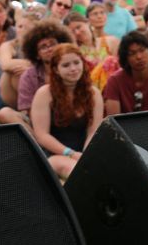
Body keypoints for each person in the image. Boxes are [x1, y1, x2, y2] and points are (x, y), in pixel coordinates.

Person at [30, 44, 103, 180]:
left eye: (76, 62)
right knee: (76, 171)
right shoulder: (45, 94)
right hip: (54, 153)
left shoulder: (94, 94)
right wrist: (71, 153)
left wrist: (86, 154)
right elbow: (42, 135)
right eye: (66, 65)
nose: (73, 69)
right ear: (56, 70)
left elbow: (93, 131)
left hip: (83, 151)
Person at [0, 20, 74, 129]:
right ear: (37, 55)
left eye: (52, 44)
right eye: (43, 47)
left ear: (61, 45)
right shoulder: (28, 76)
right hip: (38, 121)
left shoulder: (73, 68)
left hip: (71, 119)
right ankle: (36, 143)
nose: (49, 49)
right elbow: (27, 111)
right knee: (4, 113)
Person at [103, 32, 148, 114]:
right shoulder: (114, 81)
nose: (139, 57)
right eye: (132, 53)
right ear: (126, 58)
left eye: (142, 50)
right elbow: (113, 121)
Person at [0, 10, 41, 110]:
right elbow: (5, 64)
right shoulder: (9, 45)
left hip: (31, 89)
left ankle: (29, 109)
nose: (22, 30)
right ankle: (29, 110)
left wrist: (29, 69)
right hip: (2, 94)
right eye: (20, 26)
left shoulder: (40, 47)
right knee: (14, 72)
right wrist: (31, 66)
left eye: (27, 28)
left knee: (24, 74)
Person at [68, 12, 120, 91]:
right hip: (90, 92)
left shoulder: (111, 41)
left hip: (115, 89)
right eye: (73, 31)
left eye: (78, 27)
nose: (77, 33)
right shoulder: (75, 52)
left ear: (87, 23)